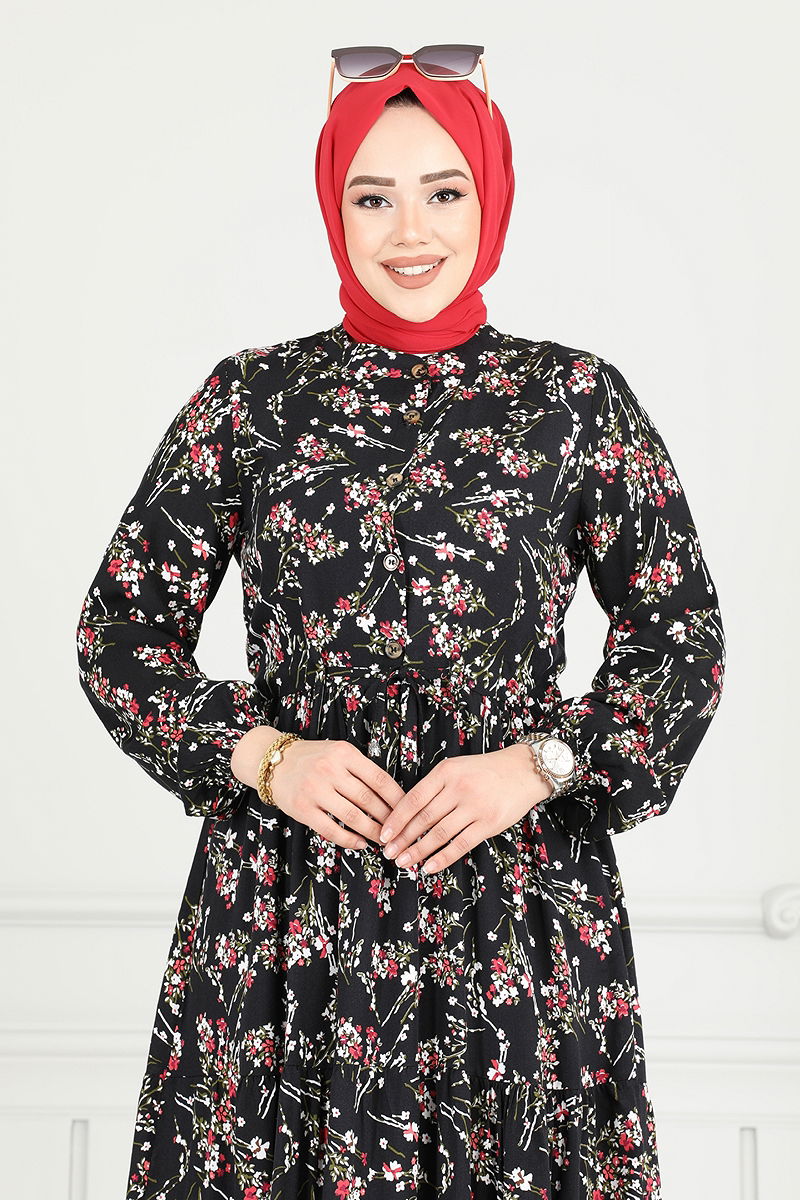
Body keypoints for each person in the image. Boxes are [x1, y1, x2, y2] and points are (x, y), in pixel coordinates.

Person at [76, 48, 726, 1200]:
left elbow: (678, 636)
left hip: (513, 911)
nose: (409, 231)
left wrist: (536, 766)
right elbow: (120, 630)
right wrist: (262, 756)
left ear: (491, 195)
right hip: (288, 915)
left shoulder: (573, 401)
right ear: (333, 208)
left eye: (443, 191)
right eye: (371, 197)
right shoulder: (251, 401)